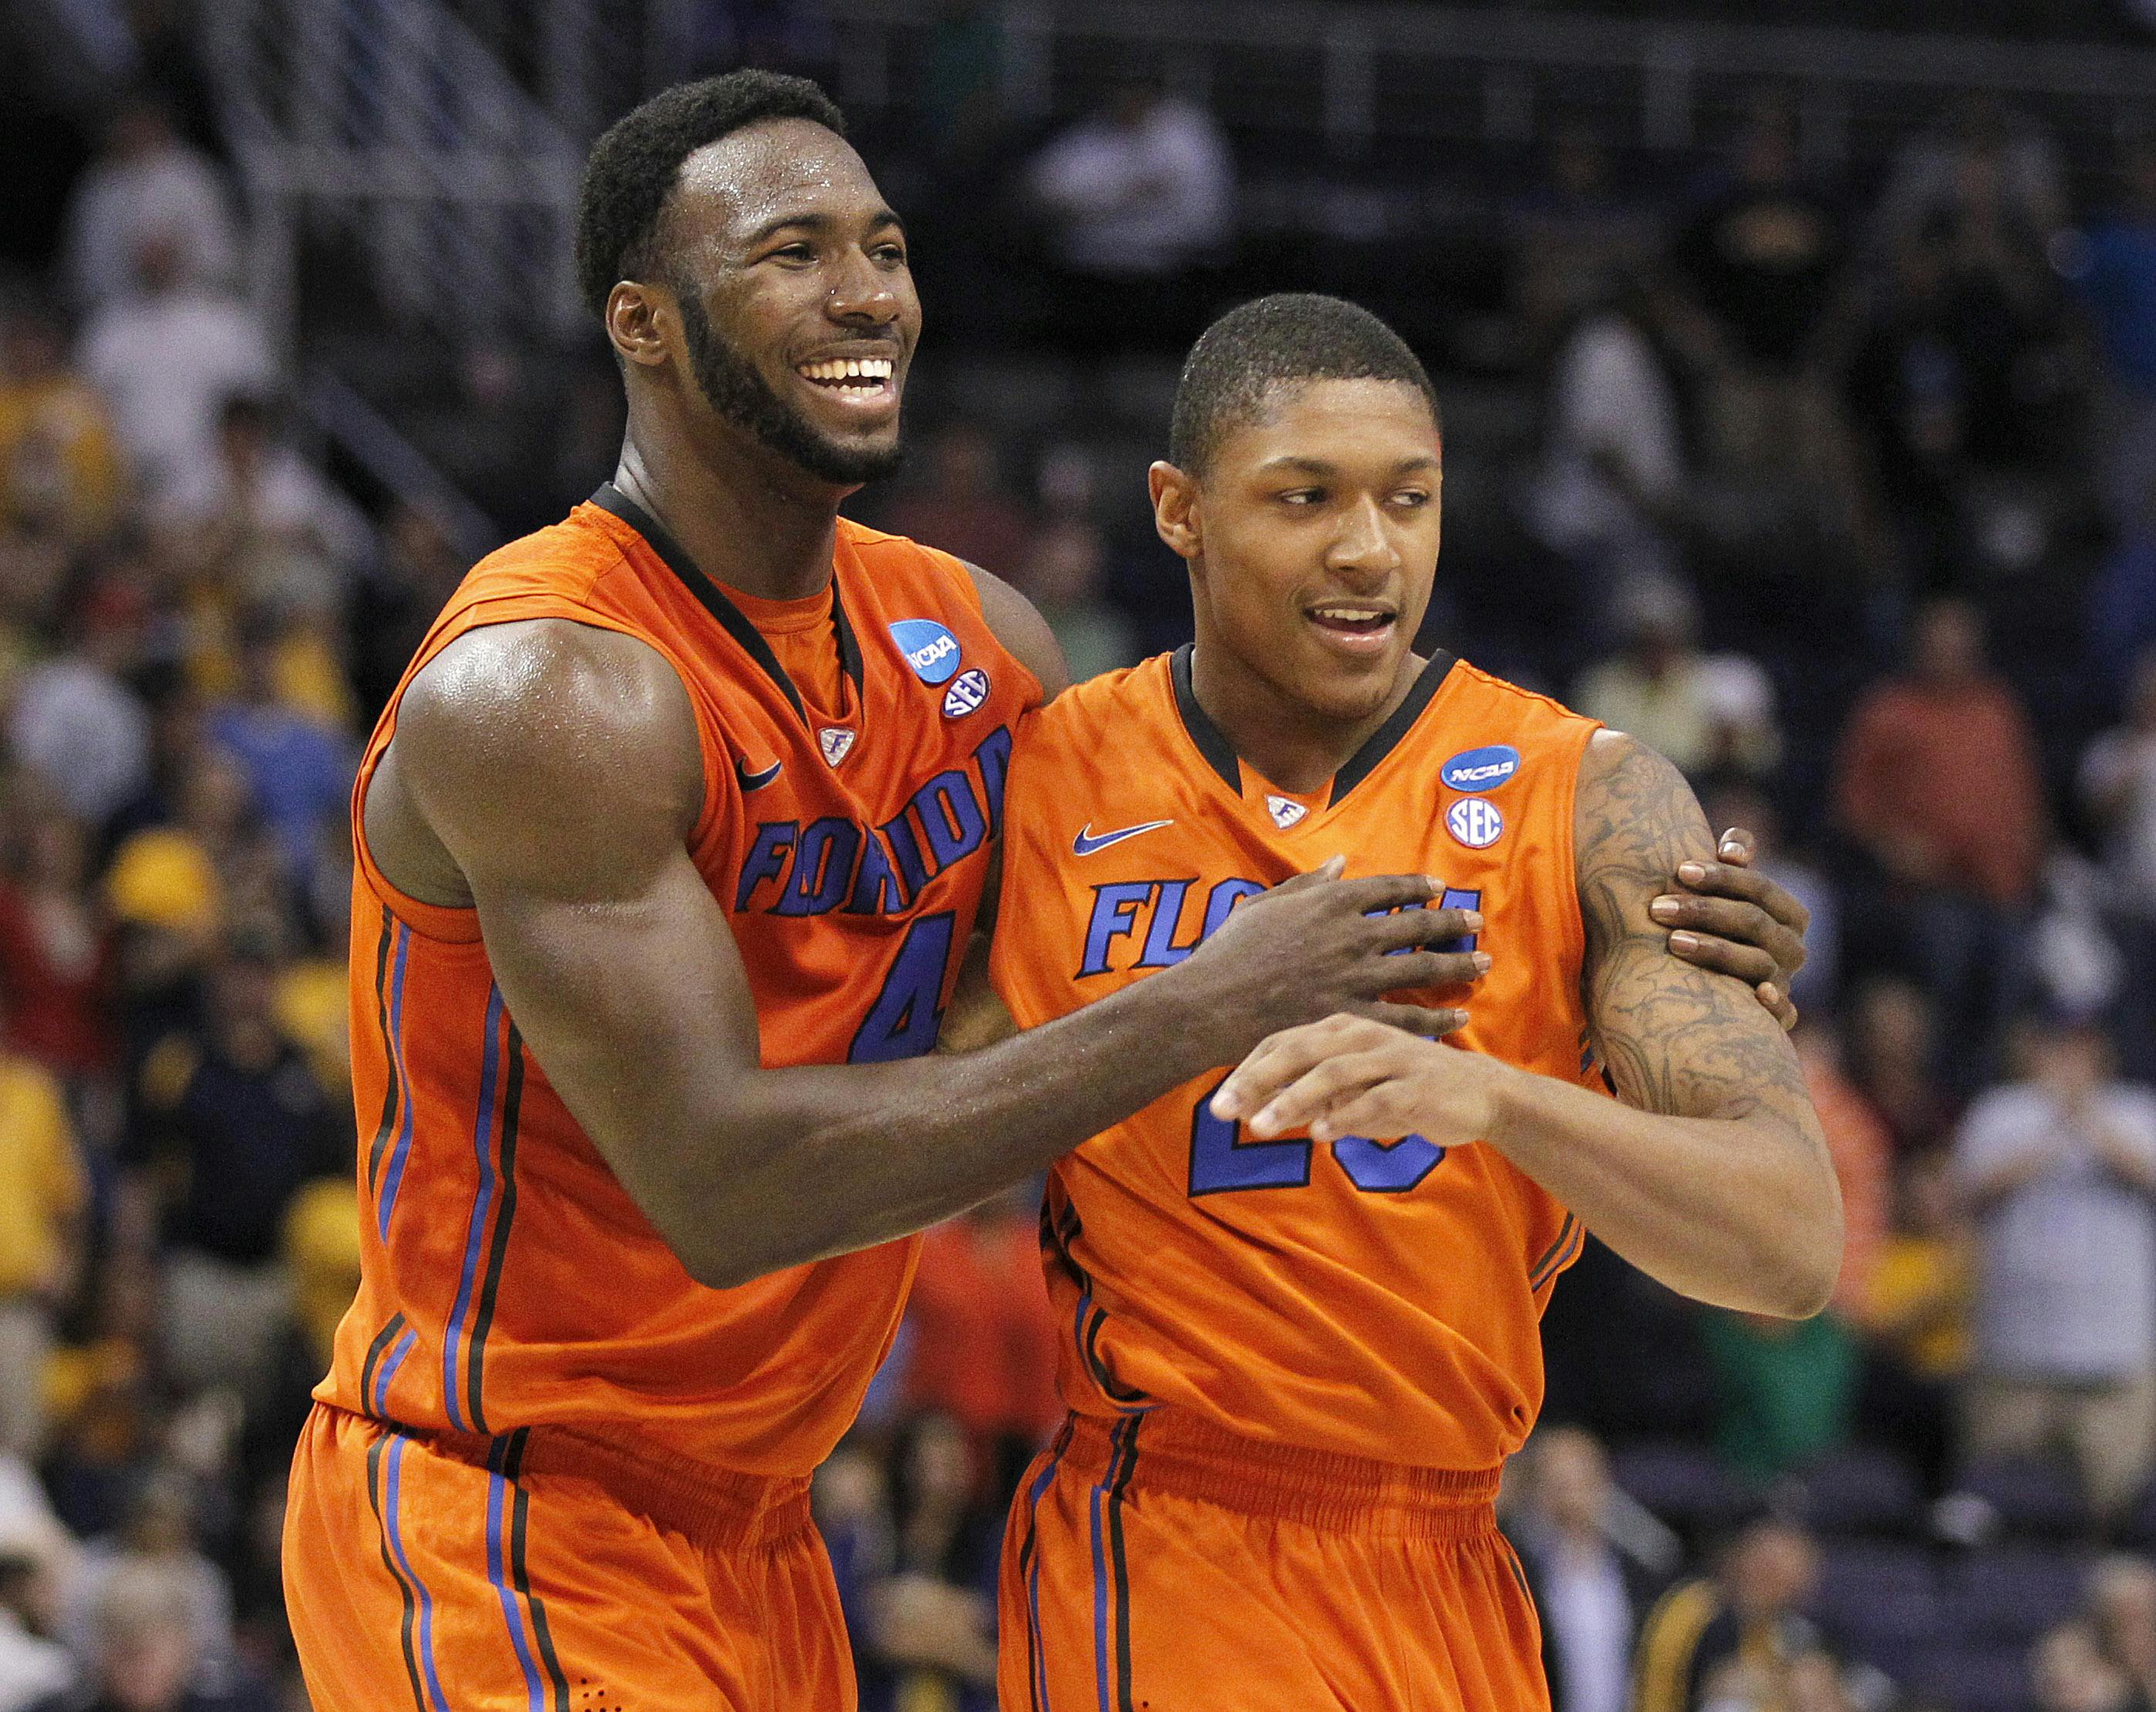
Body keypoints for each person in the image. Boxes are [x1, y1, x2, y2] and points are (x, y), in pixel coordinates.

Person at [280, 75, 1805, 1710]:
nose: (864, 290)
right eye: (790, 252)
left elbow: (1120, 918)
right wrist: (1225, 992)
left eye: (882, 244)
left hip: (772, 1529)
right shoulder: (554, 690)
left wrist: (1643, 946)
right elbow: (723, 1192)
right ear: (643, 324)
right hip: (502, 1490)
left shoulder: (982, 657)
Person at [978, 294, 1834, 1710]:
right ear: (1178, 511)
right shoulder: (1053, 774)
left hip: (1451, 1551)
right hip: (1170, 1533)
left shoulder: (1593, 799)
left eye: (1408, 500)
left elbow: (1790, 1246)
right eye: (1303, 497)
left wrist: (1500, 1097)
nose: (1368, 550)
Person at [1952, 1014, 2156, 1520]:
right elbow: (1969, 1194)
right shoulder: (2000, 1112)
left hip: (2114, 1356)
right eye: (2058, 1047)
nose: (2069, 1060)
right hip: (2014, 1353)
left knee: (2116, 1509)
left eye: (2080, 1049)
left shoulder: (2136, 1110)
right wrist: (2053, 1126)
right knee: (1994, 1502)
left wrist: (2086, 1117)